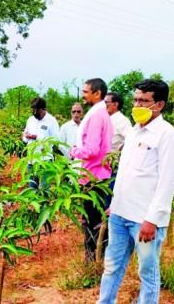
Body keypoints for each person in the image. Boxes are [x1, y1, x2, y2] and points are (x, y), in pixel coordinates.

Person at [97, 80, 174, 304]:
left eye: (143, 100)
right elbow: (125, 173)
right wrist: (115, 203)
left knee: (147, 273)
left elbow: (168, 181)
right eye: (135, 99)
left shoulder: (167, 135)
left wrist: (152, 219)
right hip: (120, 215)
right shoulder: (133, 131)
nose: (136, 105)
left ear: (159, 105)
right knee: (111, 267)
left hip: (144, 220)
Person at [70, 78, 113, 262]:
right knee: (94, 220)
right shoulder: (102, 113)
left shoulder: (96, 116)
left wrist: (74, 151)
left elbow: (92, 150)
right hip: (98, 174)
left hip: (92, 177)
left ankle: (93, 261)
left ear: (97, 93)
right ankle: (97, 258)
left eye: (86, 92)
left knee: (91, 221)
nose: (83, 95)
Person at [23, 97, 59, 188]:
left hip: (45, 160)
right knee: (32, 188)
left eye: (37, 110)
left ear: (44, 109)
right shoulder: (30, 120)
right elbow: (25, 136)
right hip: (31, 159)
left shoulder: (52, 121)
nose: (35, 113)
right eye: (33, 110)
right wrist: (26, 136)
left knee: (45, 188)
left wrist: (37, 137)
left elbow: (56, 140)